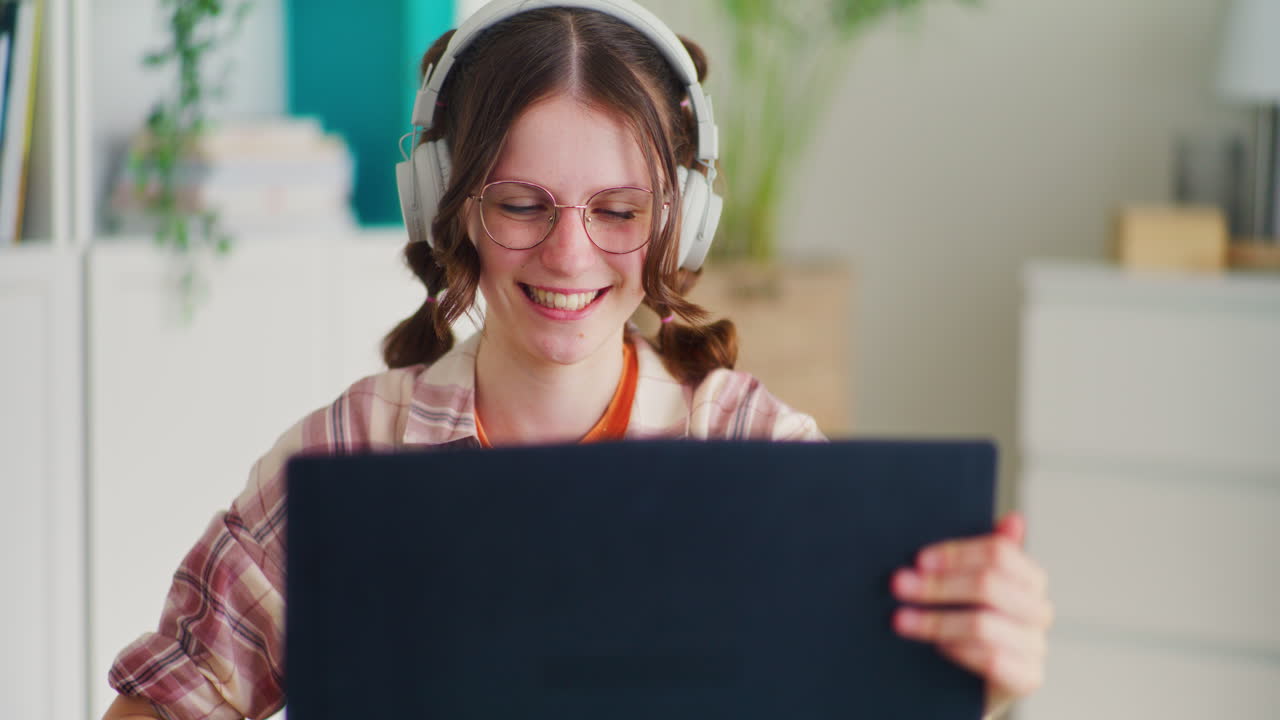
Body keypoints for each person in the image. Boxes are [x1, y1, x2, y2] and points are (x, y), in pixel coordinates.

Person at [102, 2, 1052, 718]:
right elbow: (164, 701)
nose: (569, 254)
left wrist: (982, 675)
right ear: (449, 204)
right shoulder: (349, 454)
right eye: (522, 203)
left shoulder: (753, 449)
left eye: (619, 209)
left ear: (681, 220)